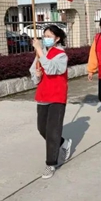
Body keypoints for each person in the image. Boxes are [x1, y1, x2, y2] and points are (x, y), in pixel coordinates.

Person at [29, 25, 72, 179]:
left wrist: (40, 52)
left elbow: (54, 70)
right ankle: (64, 143)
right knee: (42, 129)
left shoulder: (61, 55)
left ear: (57, 38)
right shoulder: (40, 54)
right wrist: (37, 75)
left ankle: (50, 164)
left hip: (57, 96)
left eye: (49, 36)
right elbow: (34, 75)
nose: (45, 38)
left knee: (52, 130)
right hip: (43, 96)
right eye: (44, 35)